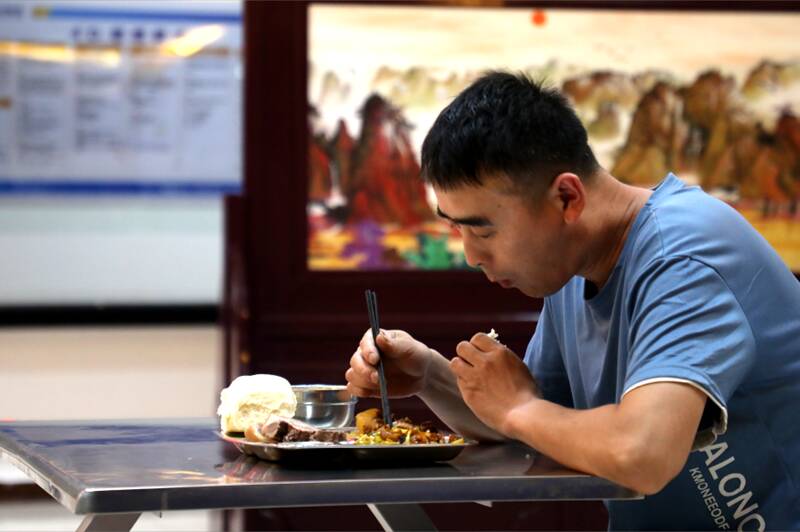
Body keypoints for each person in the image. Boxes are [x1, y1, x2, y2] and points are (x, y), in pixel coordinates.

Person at [345, 71, 800, 530]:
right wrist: (428, 375)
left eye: (483, 230)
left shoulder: (682, 257)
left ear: (566, 197)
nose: (471, 256)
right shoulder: (572, 268)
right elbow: (536, 427)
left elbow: (641, 454)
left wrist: (519, 409)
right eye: (456, 228)